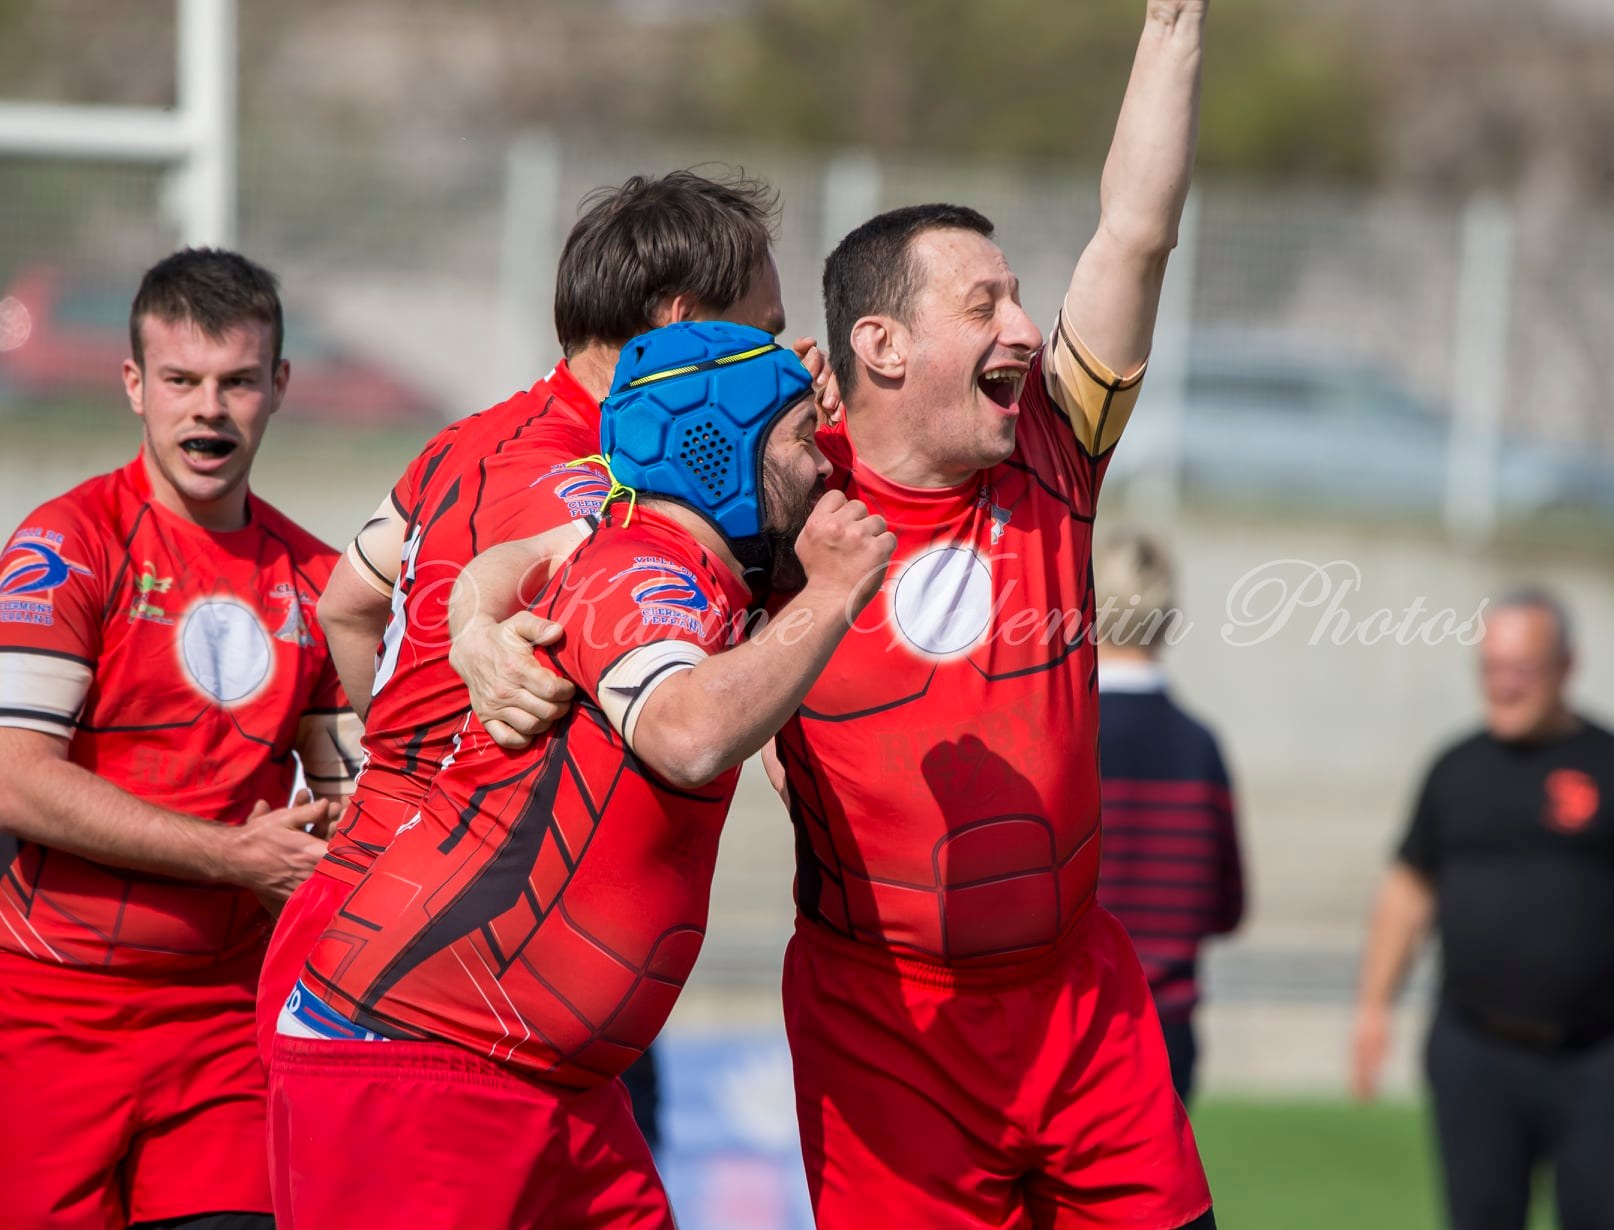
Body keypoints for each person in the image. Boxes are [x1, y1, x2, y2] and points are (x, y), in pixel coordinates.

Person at [454, 4, 1216, 1224]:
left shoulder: (1055, 457)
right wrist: (472, 622)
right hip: (886, 1025)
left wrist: (1173, 26)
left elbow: (1135, 233)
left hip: (1084, 1007)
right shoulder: (781, 495)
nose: (1026, 328)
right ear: (883, 343)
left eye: (1020, 299)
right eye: (985, 304)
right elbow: (568, 552)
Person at [267, 324, 893, 1230]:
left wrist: (474, 616)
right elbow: (685, 733)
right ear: (723, 451)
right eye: (802, 441)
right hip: (418, 1061)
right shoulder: (645, 574)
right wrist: (832, 597)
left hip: (553, 1085)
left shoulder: (660, 549)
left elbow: (520, 557)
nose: (825, 467)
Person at [254, 171, 833, 1144]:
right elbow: (684, 714)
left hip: (376, 915)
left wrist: (388, 774)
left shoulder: (474, 440)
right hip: (445, 976)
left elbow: (348, 603)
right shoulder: (615, 488)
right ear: (684, 323)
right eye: (764, 331)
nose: (782, 355)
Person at [0, 249, 358, 1230]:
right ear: (133, 386)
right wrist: (233, 855)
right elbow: (13, 781)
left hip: (222, 1026)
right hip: (45, 1016)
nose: (209, 410)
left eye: (238, 381)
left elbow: (363, 798)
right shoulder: (64, 545)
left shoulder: (322, 582)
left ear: (280, 386)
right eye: (182, 381)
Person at [1350, 589, 1614, 1230]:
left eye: (1522, 669)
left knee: (1611, 1216)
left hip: (1598, 1055)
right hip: (1475, 1049)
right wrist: (1374, 1007)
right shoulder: (1453, 769)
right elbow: (1408, 890)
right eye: (1490, 668)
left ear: (1567, 666)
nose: (1503, 686)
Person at [1093, 527, 1245, 1105]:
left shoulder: (1059, 733)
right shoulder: (1199, 746)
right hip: (1166, 1030)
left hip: (1065, 1025)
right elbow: (1227, 906)